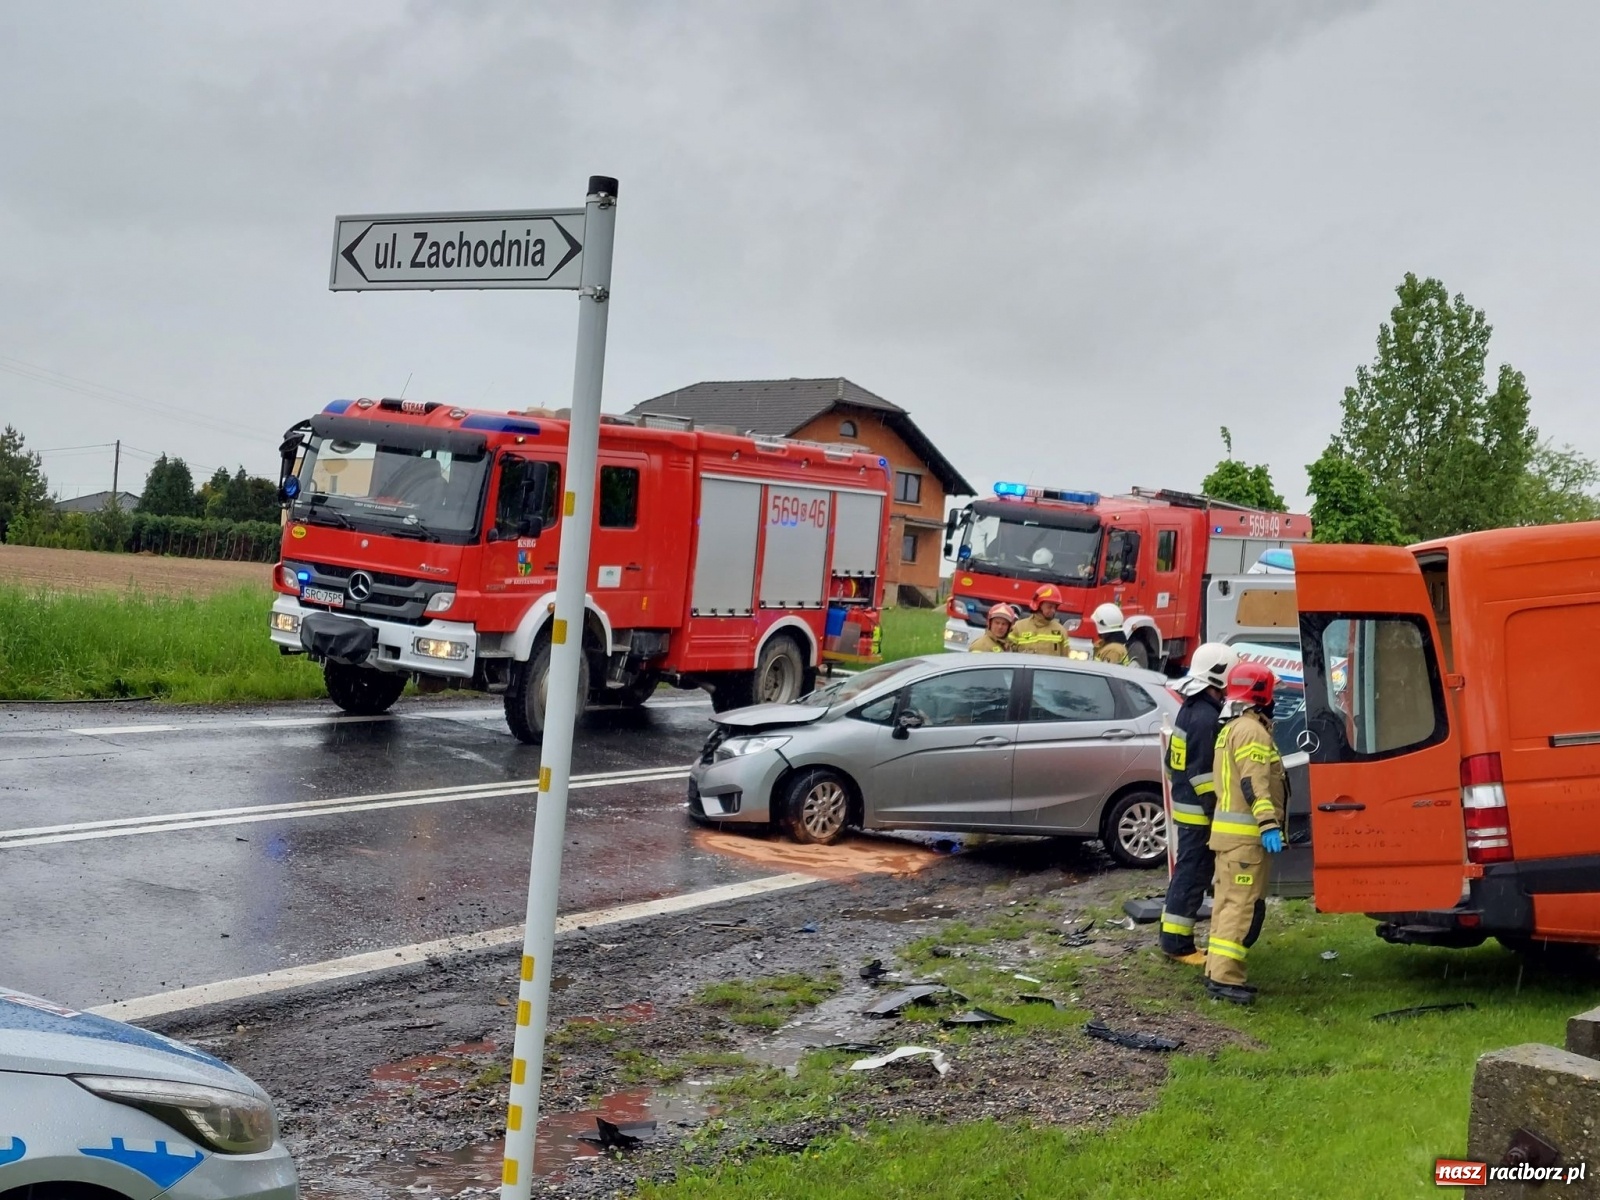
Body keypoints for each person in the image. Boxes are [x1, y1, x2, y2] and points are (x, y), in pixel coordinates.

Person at [1203, 661, 1288, 1005]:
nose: (1275, 699)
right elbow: (1254, 783)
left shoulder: (1232, 728)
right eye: (1273, 692)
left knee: (1226, 906)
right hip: (1245, 840)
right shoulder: (1252, 732)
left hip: (1228, 839)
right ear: (1261, 694)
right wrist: (1268, 824)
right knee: (1241, 907)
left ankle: (1216, 971)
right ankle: (1226, 979)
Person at [1158, 643, 1239, 964]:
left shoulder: (1189, 709)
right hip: (1199, 815)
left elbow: (1171, 763)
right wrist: (1216, 811)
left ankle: (1172, 937)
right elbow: (1204, 774)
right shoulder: (1206, 718)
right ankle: (1179, 945)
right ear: (1220, 675)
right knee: (1192, 875)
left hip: (1185, 807)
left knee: (1187, 874)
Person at [1009, 585, 1070, 656]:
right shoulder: (1019, 627)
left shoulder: (1061, 631)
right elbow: (1008, 654)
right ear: (1038, 605)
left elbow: (1065, 660)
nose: (1053, 611)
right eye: (1049, 607)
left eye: (1055, 607)